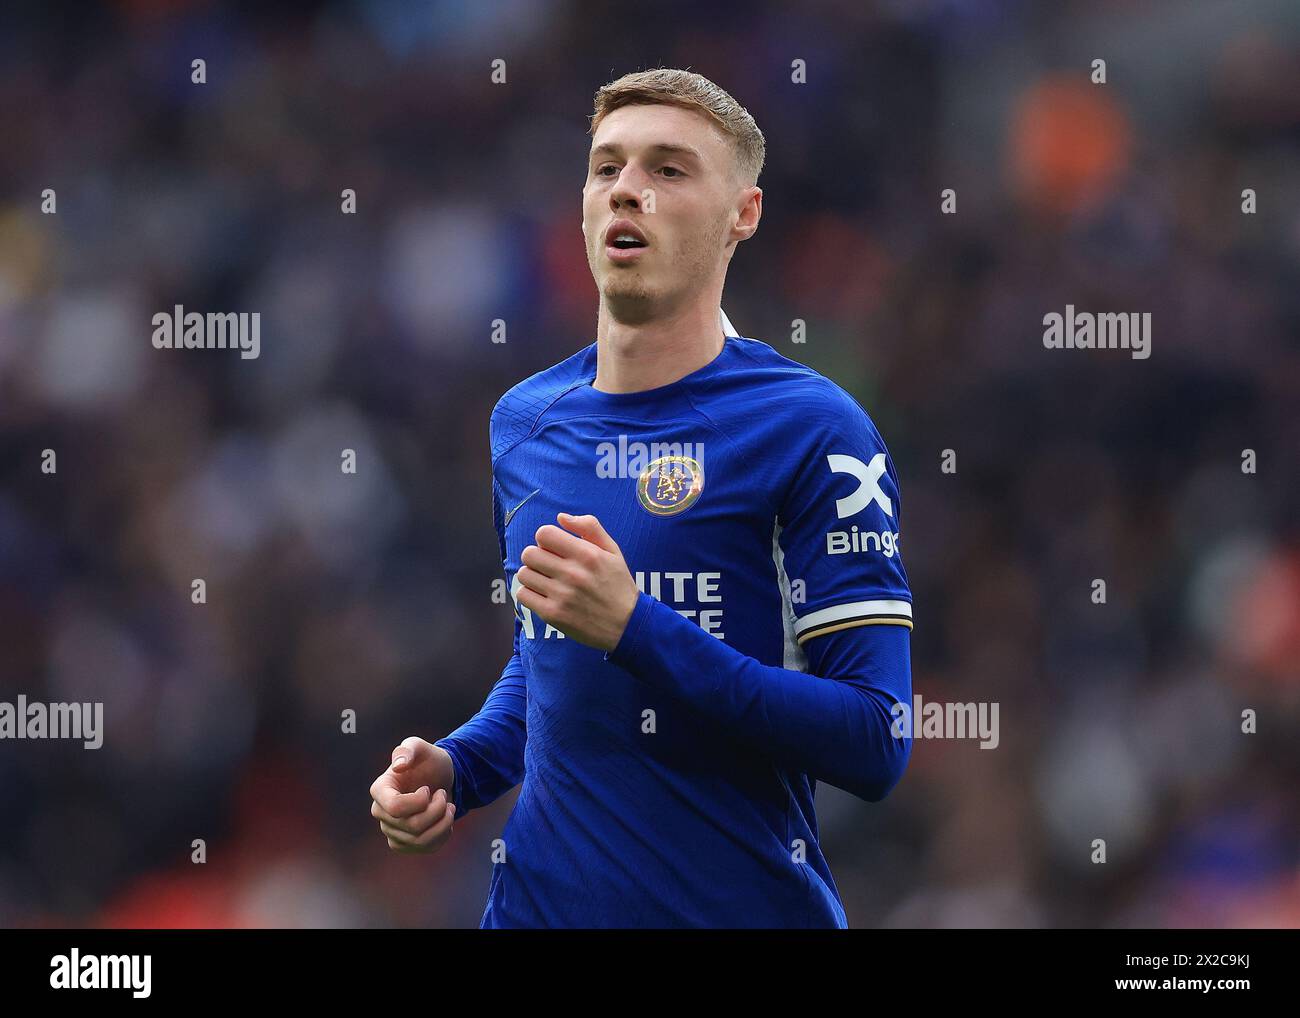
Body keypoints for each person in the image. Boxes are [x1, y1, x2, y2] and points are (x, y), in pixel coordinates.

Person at [369, 68, 914, 928]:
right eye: (607, 167)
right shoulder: (525, 423)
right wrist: (460, 766)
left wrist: (639, 628)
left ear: (744, 214)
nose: (628, 189)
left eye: (669, 169)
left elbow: (875, 739)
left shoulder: (810, 428)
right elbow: (550, 657)